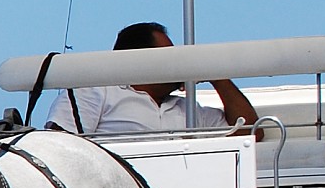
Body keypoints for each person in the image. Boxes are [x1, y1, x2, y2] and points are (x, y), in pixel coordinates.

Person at [47, 21, 257, 136]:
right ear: (139, 58)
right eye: (170, 55)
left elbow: (250, 133)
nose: (180, 61)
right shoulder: (96, 91)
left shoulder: (189, 110)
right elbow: (59, 146)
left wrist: (217, 76)